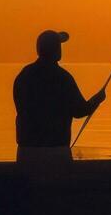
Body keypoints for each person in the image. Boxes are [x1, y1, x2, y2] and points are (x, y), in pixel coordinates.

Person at [14, 29, 105, 166]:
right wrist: (98, 99)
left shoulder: (23, 76)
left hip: (26, 151)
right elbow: (80, 111)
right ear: (57, 50)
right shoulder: (63, 78)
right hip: (56, 151)